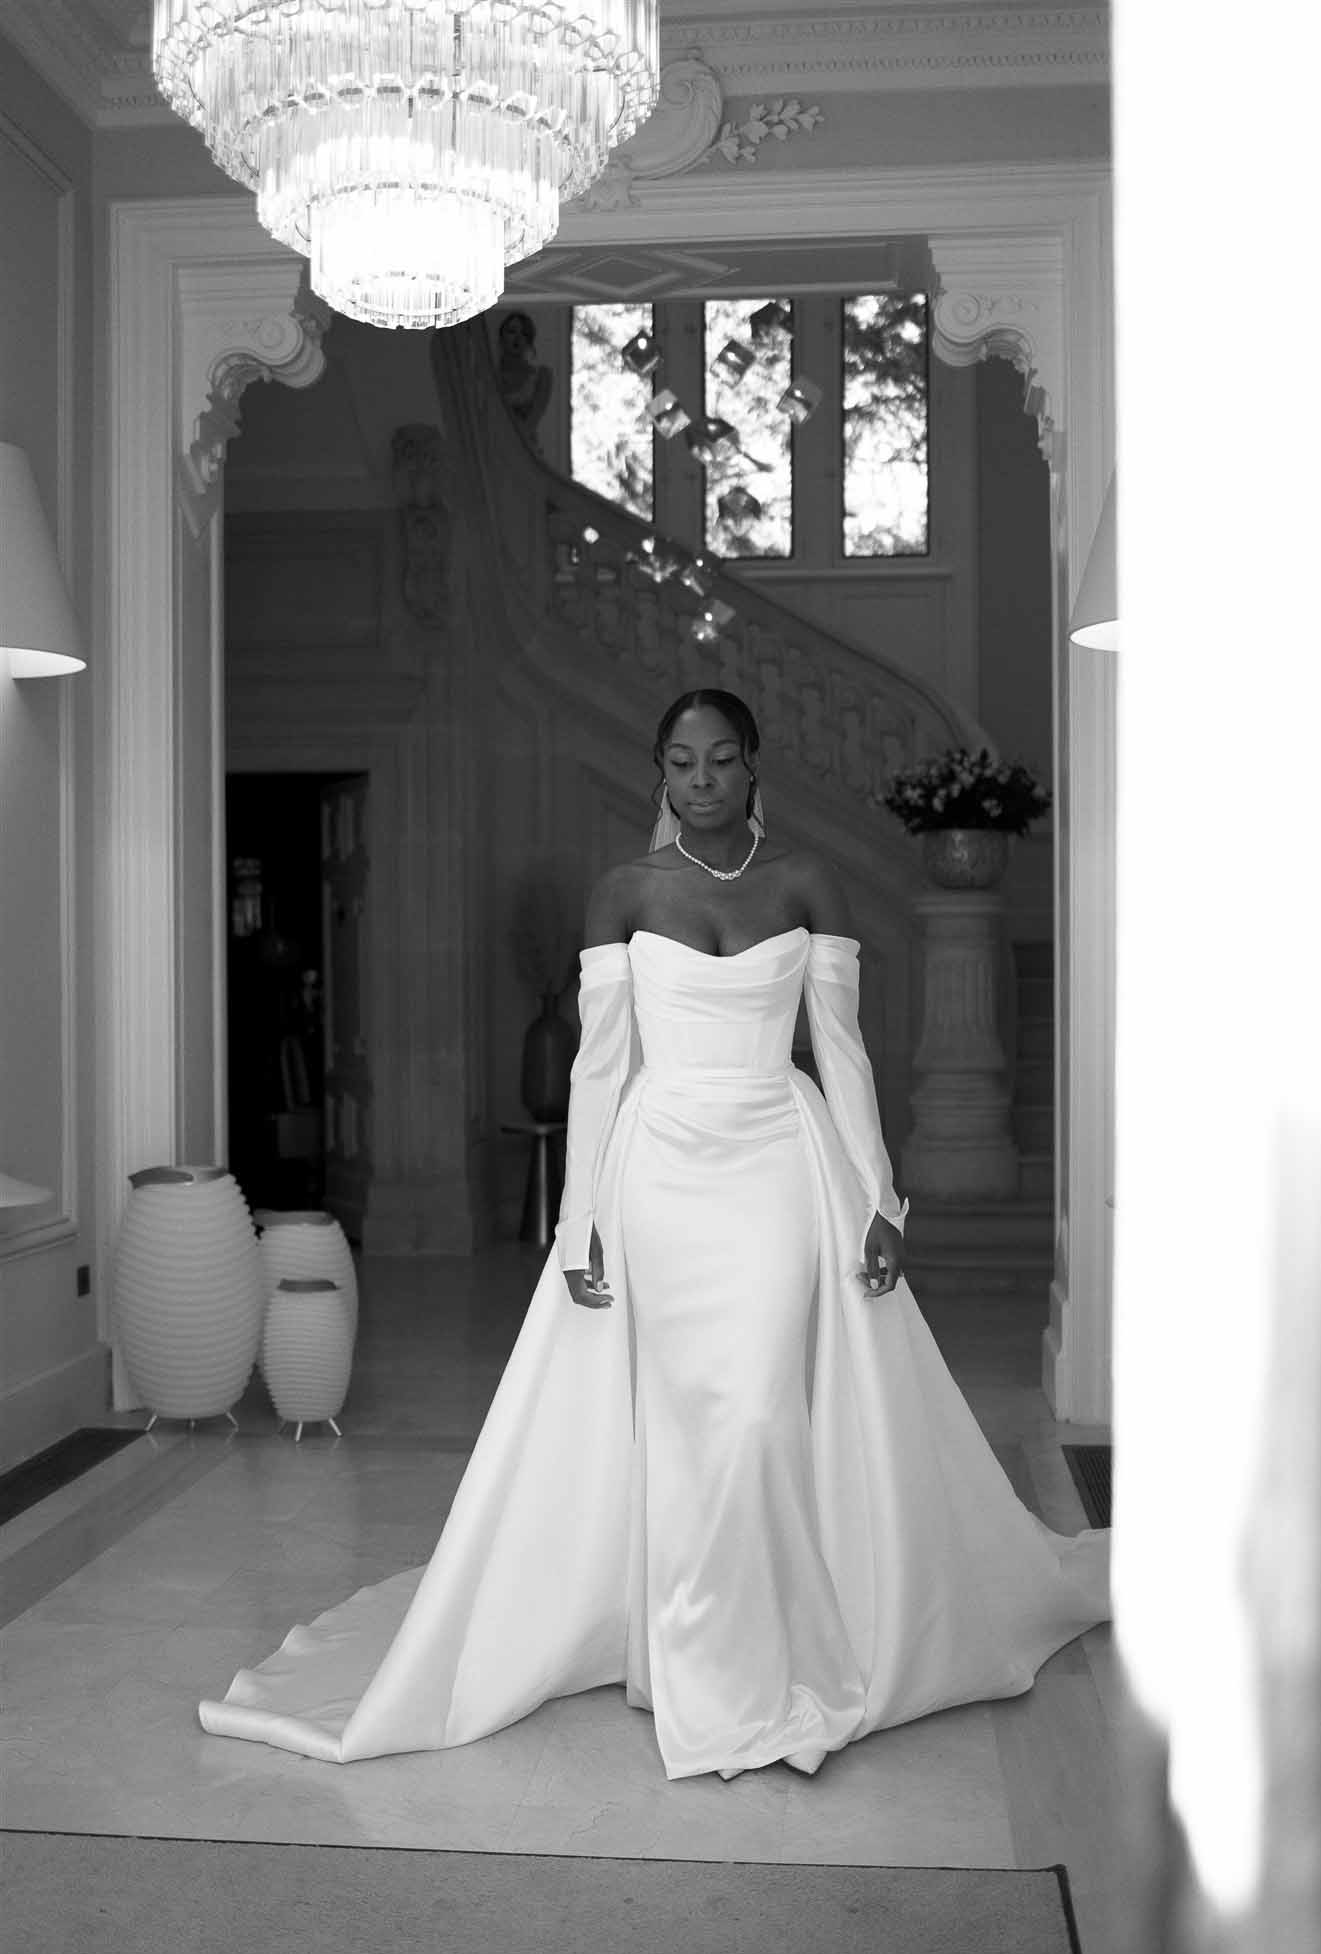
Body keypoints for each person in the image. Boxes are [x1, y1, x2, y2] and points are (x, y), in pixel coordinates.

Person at [200, 689, 1109, 1779]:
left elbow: (845, 1051)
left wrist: (880, 1195)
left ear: (753, 766)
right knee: (686, 1417)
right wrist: (580, 1214)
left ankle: (763, 1656)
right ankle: (699, 1656)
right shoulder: (623, 891)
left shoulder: (808, 881)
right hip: (661, 1172)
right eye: (681, 762)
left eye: (721, 759)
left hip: (777, 1158)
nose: (702, 780)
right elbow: (597, 1066)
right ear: (661, 775)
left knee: (760, 1409)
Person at [495, 309, 553, 447]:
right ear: (501, 337)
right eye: (512, 331)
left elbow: (533, 420)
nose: (518, 338)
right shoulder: (490, 376)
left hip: (525, 450)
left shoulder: (542, 376)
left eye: (524, 333)